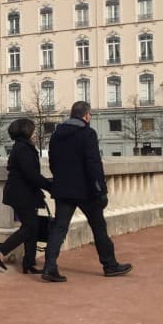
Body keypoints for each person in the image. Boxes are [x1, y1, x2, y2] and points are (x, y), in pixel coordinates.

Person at [41, 101, 132, 283]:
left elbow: (52, 161)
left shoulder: (57, 134)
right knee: (98, 228)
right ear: (86, 115)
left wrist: (61, 179)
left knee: (59, 228)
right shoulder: (87, 133)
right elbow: (93, 164)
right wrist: (101, 190)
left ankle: (49, 266)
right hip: (86, 190)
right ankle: (110, 265)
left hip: (63, 189)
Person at [0, 118, 53, 274]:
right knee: (30, 227)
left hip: (25, 193)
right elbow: (31, 175)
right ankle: (1, 250)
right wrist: (50, 186)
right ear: (26, 132)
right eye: (33, 130)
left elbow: (31, 175)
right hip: (21, 194)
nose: (35, 133)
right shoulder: (23, 149)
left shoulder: (23, 147)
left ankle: (29, 264)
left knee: (32, 227)